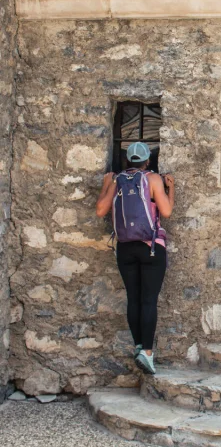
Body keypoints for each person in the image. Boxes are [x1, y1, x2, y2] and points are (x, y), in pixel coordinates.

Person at [95, 142, 175, 374]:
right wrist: (172, 189)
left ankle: (139, 344)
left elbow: (101, 210)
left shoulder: (117, 180)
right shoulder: (153, 179)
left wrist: (104, 185)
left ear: (128, 160)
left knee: (134, 298)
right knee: (149, 300)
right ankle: (147, 354)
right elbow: (167, 211)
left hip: (125, 247)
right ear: (147, 160)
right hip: (151, 246)